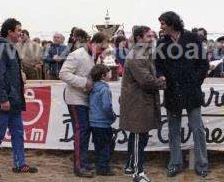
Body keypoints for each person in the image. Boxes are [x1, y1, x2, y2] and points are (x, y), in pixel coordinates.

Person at [0, 18, 38, 177]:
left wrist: (20, 75)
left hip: (15, 99)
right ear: (10, 32)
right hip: (5, 100)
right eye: (18, 30)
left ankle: (20, 163)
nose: (20, 33)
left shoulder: (9, 48)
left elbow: (8, 73)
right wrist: (3, 99)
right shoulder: (0, 48)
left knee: (18, 132)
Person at [155, 11, 210, 178]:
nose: (161, 26)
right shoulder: (161, 42)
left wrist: (195, 81)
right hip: (172, 91)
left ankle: (202, 164)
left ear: (172, 23)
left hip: (191, 91)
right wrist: (161, 75)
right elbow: (158, 65)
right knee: (173, 130)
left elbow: (203, 64)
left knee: (197, 128)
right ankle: (175, 163)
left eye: (163, 23)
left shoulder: (192, 38)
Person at [59, 31, 109, 178]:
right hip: (75, 98)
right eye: (102, 48)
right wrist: (84, 83)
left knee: (84, 131)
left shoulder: (95, 56)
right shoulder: (77, 55)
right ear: (93, 44)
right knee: (81, 132)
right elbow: (63, 74)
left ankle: (83, 161)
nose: (103, 51)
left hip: (86, 99)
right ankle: (79, 166)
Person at [119, 26, 166, 182]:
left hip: (140, 100)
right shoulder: (137, 55)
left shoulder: (143, 53)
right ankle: (138, 173)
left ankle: (130, 166)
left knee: (137, 136)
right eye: (148, 36)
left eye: (152, 36)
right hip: (137, 102)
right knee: (139, 136)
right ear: (138, 38)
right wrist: (164, 82)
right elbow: (146, 81)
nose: (152, 39)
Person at [89, 64, 116, 176]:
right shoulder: (104, 89)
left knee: (99, 145)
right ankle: (103, 168)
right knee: (106, 145)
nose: (110, 74)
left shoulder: (93, 87)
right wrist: (112, 116)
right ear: (104, 75)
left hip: (94, 122)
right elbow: (106, 106)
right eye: (108, 72)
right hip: (103, 123)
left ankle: (100, 164)